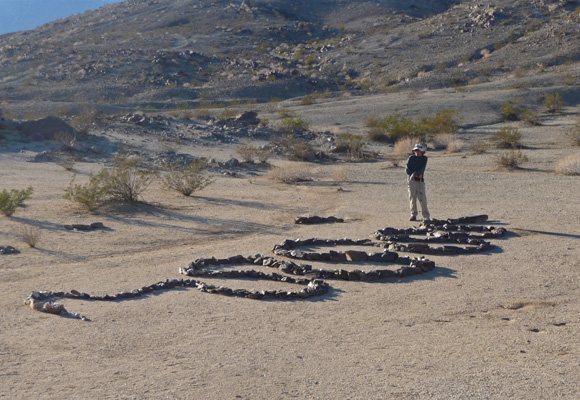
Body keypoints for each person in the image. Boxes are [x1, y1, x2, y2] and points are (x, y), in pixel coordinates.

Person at [405, 143, 430, 222]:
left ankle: (426, 215)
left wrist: (414, 174)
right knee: (412, 198)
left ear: (421, 151)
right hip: (412, 181)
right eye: (415, 150)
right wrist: (413, 175)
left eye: (418, 150)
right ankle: (413, 215)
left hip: (420, 181)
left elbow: (422, 169)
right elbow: (407, 169)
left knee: (422, 198)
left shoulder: (424, 158)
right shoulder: (411, 158)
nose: (417, 151)